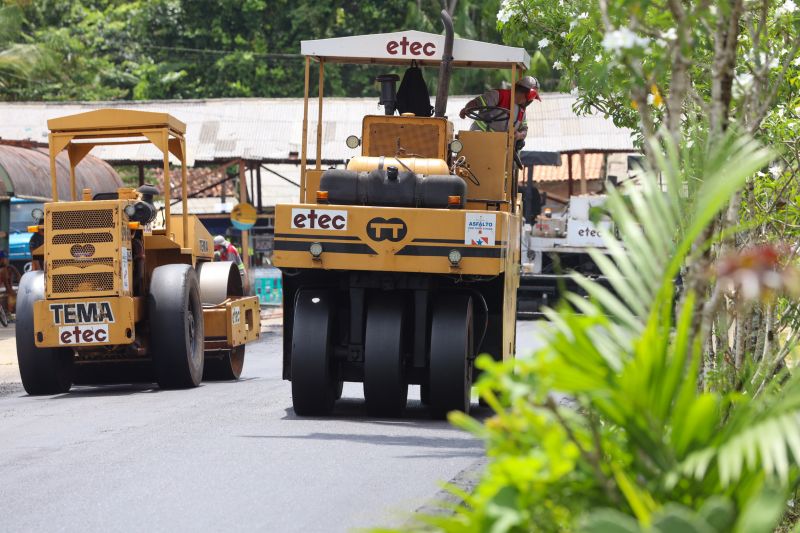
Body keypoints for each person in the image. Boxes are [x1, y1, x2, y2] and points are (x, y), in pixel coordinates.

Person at [458, 76, 541, 141]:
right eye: (531, 97)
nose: (530, 101)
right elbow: (476, 102)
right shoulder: (498, 95)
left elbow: (524, 130)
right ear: (522, 91)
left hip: (500, 146)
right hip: (479, 137)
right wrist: (466, 108)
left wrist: (519, 135)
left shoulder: (522, 111)